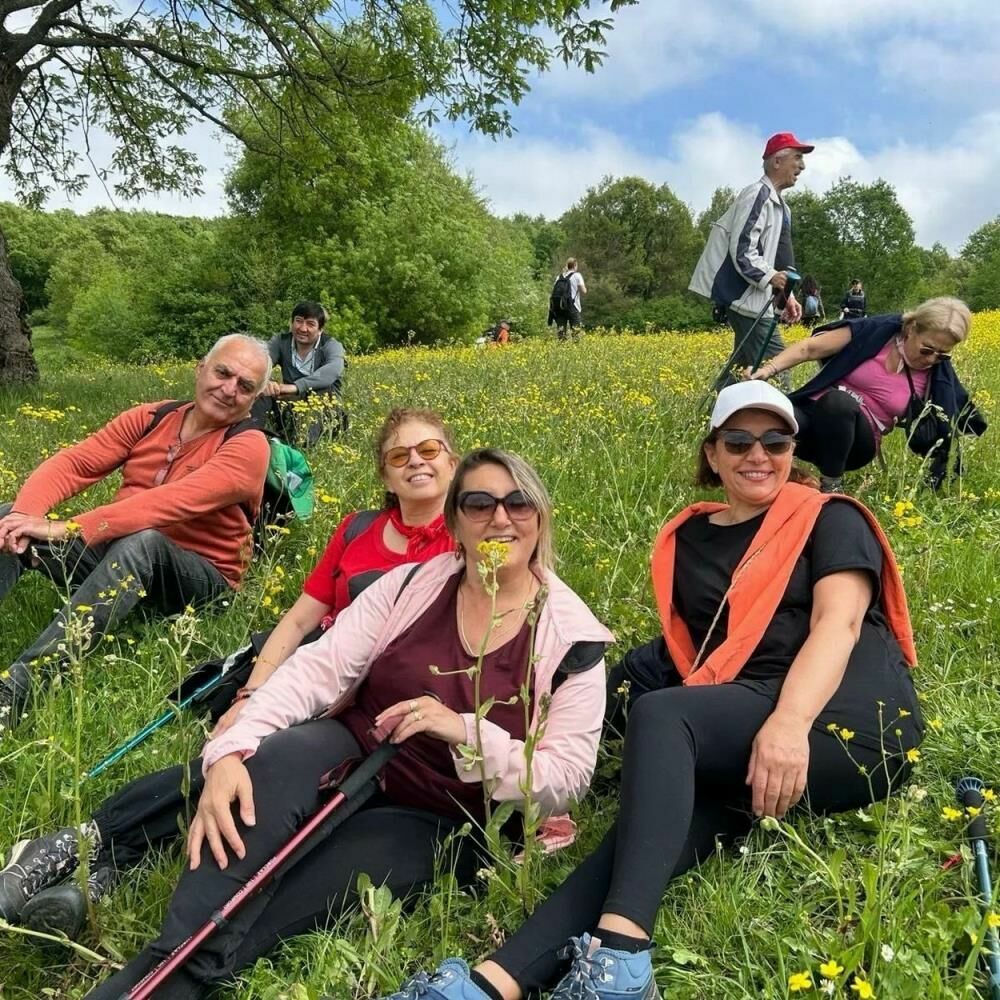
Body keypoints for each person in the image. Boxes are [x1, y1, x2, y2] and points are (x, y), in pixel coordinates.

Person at [380, 381, 923, 1000]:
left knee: (664, 718)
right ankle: (489, 983)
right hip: (747, 724)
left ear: (793, 449)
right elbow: (690, 656)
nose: (758, 454)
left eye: (776, 440)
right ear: (712, 453)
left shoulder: (830, 517)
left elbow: (840, 623)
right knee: (641, 838)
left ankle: (622, 952)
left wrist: (789, 725)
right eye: (739, 440)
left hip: (849, 721)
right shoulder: (689, 539)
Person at [81, 448, 613, 999]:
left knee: (309, 880)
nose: (500, 518)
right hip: (354, 746)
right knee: (265, 771)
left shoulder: (571, 638)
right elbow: (318, 670)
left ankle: (177, 978)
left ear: (540, 516)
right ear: (455, 521)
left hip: (443, 810)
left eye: (518, 503)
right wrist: (232, 748)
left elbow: (566, 780)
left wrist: (466, 731)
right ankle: (164, 954)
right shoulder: (409, 586)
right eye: (479, 503)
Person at [0, 408, 460, 937]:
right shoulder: (358, 529)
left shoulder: (472, 546)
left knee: (270, 779)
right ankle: (84, 850)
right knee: (231, 756)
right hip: (311, 676)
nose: (416, 463)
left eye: (429, 451)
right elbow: (298, 620)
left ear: (452, 460)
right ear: (384, 472)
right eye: (400, 455)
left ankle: (105, 861)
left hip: (376, 704)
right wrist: (253, 692)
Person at [0, 334, 273, 734]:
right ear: (200, 369)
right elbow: (76, 464)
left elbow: (169, 504)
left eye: (245, 386)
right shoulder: (151, 417)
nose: (229, 389)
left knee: (143, 540)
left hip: (199, 580)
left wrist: (70, 529)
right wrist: (26, 513)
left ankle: (14, 693)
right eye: (223, 372)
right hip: (120, 557)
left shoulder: (249, 446)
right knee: (8, 514)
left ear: (254, 399)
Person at [746, 296, 986, 492]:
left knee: (839, 403)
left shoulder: (938, 377)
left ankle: (831, 488)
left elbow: (954, 421)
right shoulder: (877, 332)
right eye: (927, 349)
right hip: (814, 419)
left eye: (943, 355)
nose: (932, 359)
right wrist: (766, 371)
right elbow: (810, 348)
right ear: (911, 329)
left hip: (857, 443)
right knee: (773, 413)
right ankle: (775, 482)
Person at [689, 132, 814, 389]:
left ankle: (708, 419)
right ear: (776, 161)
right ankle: (789, 427)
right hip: (745, 299)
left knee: (741, 367)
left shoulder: (782, 207)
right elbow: (743, 251)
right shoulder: (757, 194)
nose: (802, 166)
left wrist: (787, 295)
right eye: (798, 158)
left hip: (758, 301)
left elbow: (779, 261)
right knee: (778, 365)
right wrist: (770, 278)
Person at [257, 301, 346, 448]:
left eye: (310, 324)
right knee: (261, 389)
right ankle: (255, 437)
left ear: (320, 329)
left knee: (321, 393)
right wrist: (268, 382)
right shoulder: (280, 341)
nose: (303, 328)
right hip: (289, 402)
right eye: (298, 321)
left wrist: (295, 387)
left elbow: (332, 370)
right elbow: (260, 363)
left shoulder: (331, 345)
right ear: (291, 323)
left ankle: (304, 448)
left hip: (325, 407)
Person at [548, 258, 587, 341]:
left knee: (561, 333)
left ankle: (562, 349)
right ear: (575, 265)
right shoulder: (577, 275)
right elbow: (584, 291)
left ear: (567, 266)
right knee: (576, 332)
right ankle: (576, 351)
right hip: (573, 306)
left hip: (560, 307)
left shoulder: (559, 277)